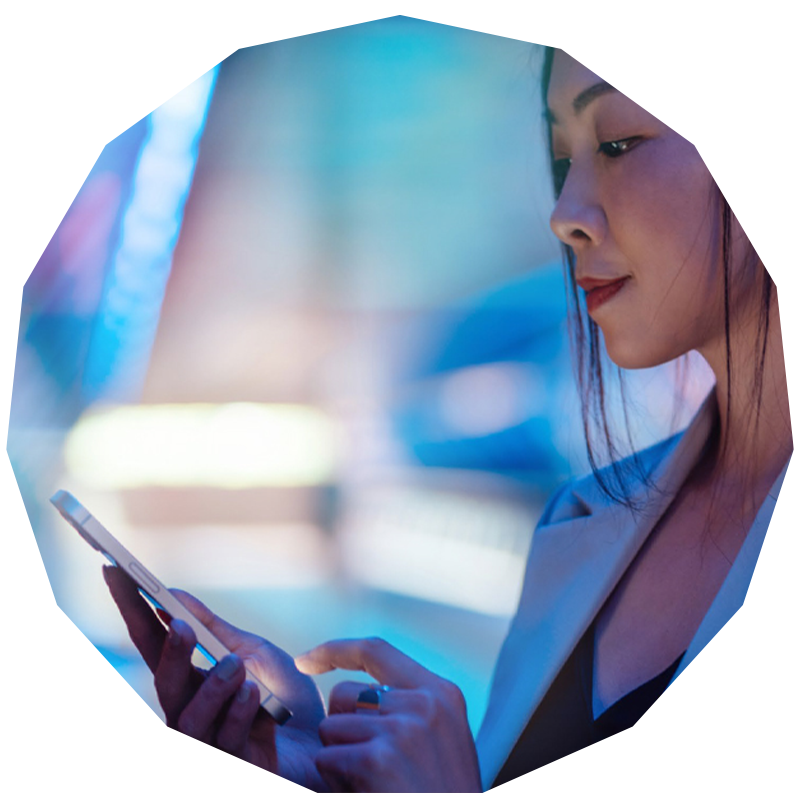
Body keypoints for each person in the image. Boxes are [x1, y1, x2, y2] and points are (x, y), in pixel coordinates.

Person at [103, 45, 792, 791]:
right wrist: (319, 759)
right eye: (564, 160)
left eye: (618, 144)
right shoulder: (582, 526)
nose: (566, 215)